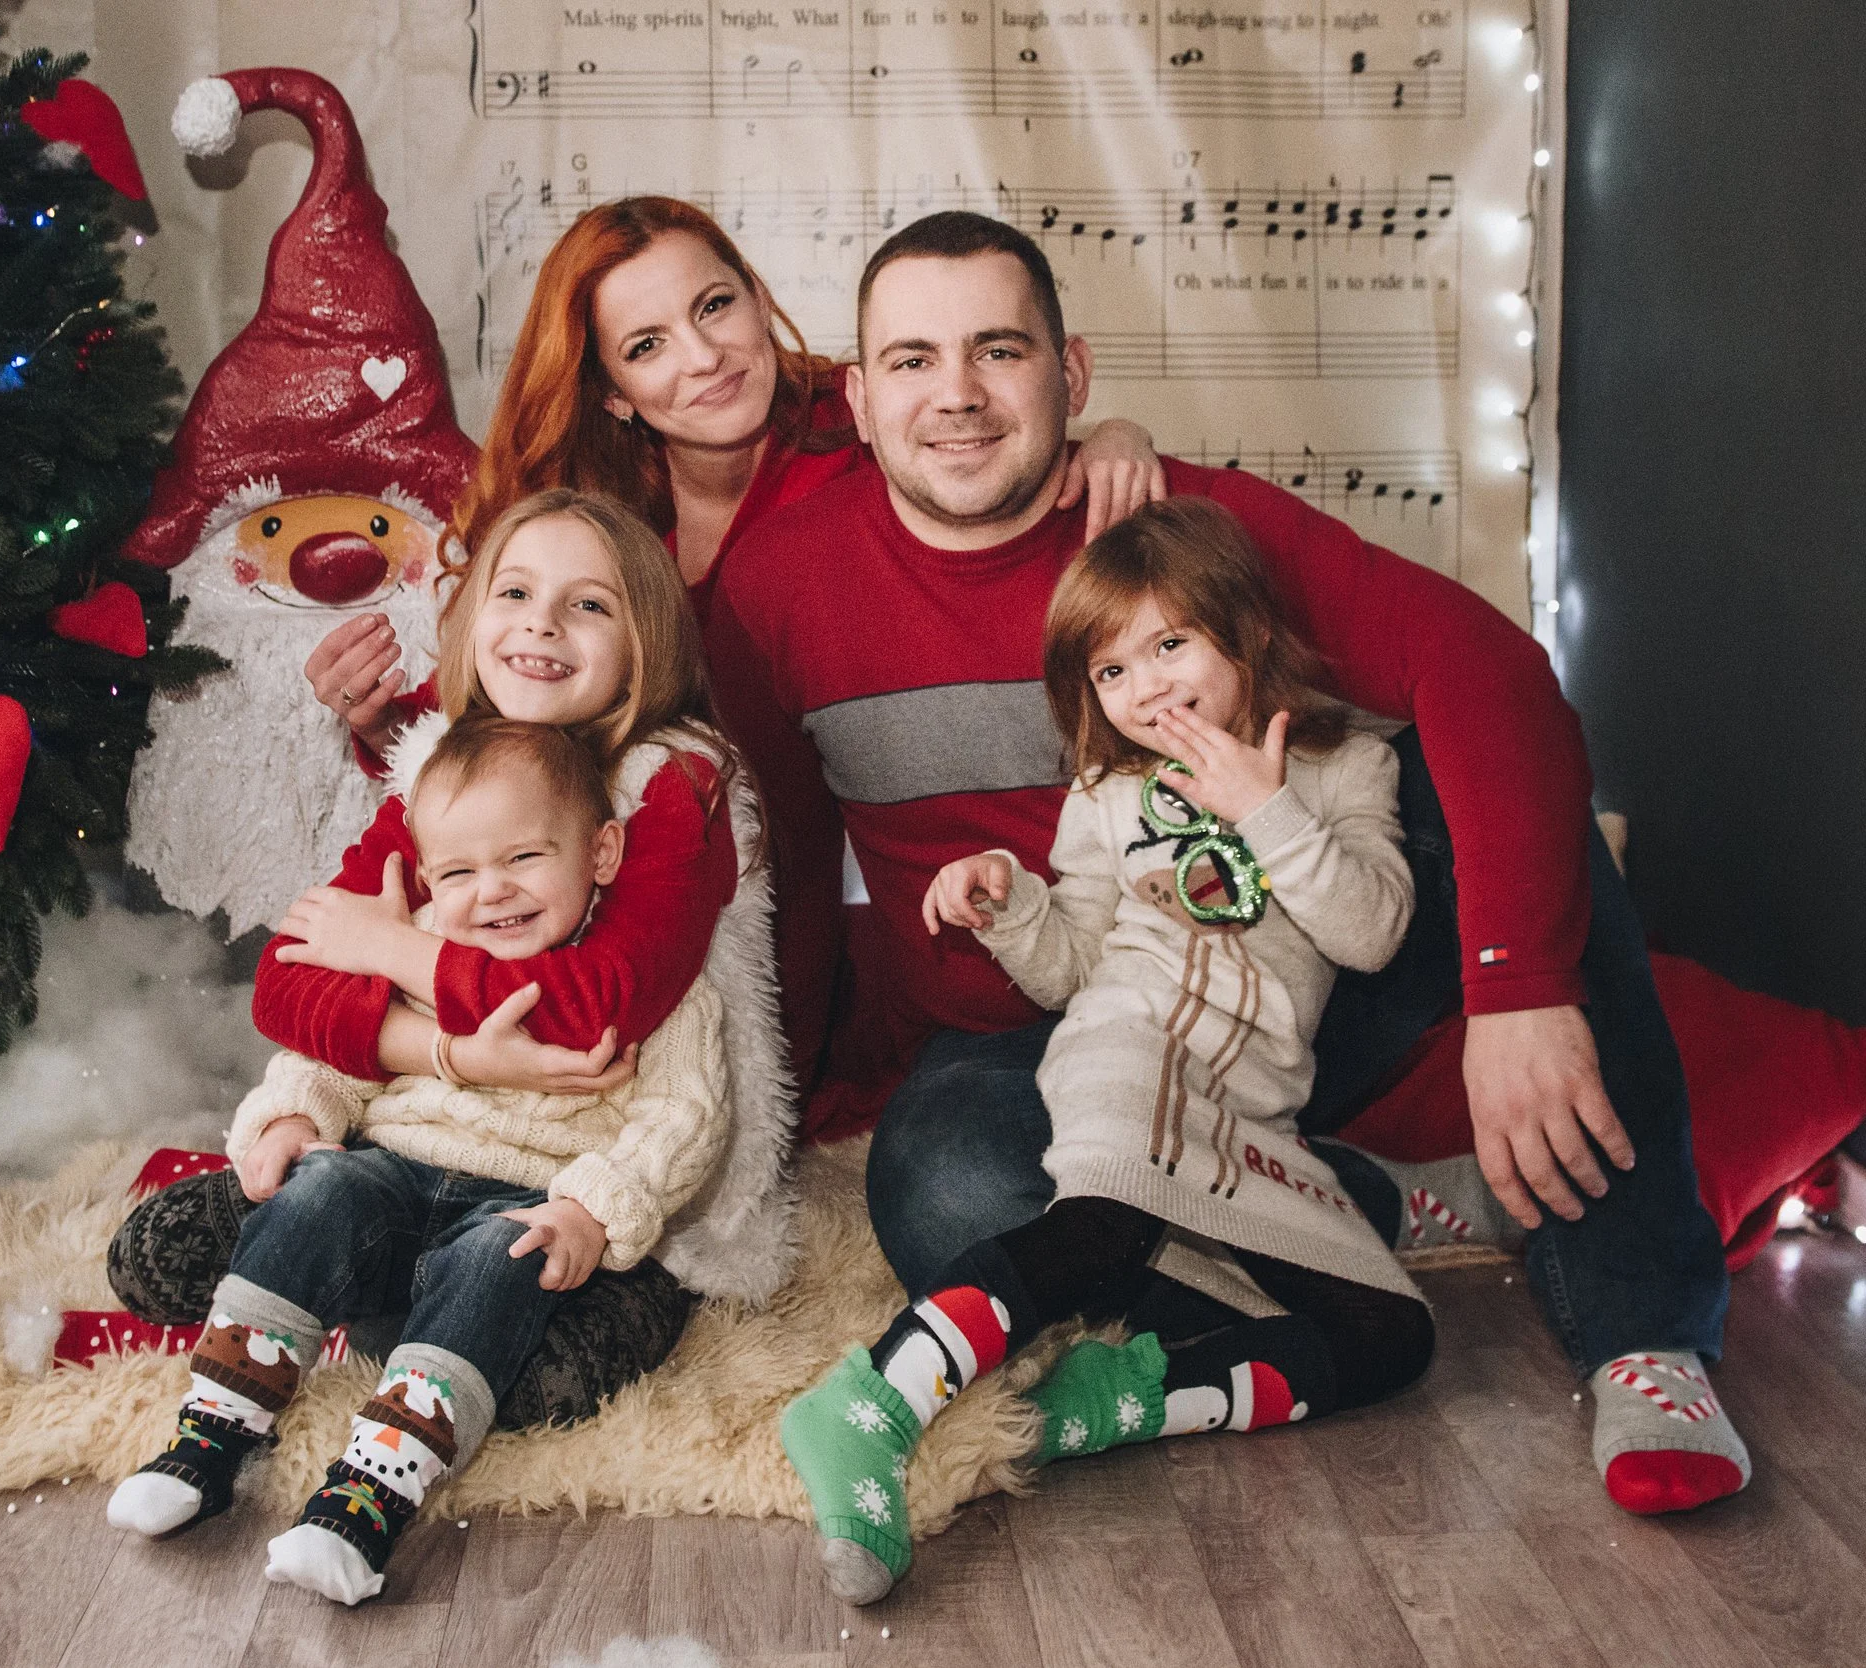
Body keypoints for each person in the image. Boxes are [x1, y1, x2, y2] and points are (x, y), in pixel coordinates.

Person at [704, 210, 1748, 1518]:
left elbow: (1489, 670)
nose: (958, 396)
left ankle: (1643, 1327)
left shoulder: (1188, 536)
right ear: (858, 399)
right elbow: (766, 871)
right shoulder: (780, 586)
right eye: (912, 360)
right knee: (954, 1201)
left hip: (1299, 962)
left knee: (1491, 787)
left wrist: (1516, 981)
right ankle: (1340, 1209)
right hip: (1041, 1024)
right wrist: (784, 1106)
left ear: (1072, 377)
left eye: (998, 350)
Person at [783, 497, 1436, 1601]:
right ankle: (868, 1407)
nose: (1147, 689)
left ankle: (1119, 1399)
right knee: (1107, 1213)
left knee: (1392, 1337)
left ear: (1246, 633)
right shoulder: (1108, 793)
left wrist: (1268, 807)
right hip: (1122, 1048)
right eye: (1111, 672)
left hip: (1243, 1107)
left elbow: (1371, 935)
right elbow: (1077, 967)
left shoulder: (1340, 771)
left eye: (1171, 645)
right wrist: (1010, 905)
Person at [106, 488, 800, 1426]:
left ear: (648, 645)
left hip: (592, 1181)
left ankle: (404, 1284)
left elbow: (593, 1017)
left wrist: (393, 950)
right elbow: (286, 986)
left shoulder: (670, 784)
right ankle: (358, 1248)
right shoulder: (445, 765)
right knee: (156, 1254)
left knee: (534, 1379)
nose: (541, 625)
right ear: (470, 617)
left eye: (589, 604)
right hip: (422, 1149)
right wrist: (449, 1055)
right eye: (514, 593)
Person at [107, 716, 732, 1607]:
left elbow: (684, 1119)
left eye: (525, 858)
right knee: (319, 1186)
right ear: (428, 875)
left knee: (504, 1258)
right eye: (461, 872)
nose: (493, 895)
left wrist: (590, 1210)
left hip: (524, 1200)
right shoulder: (416, 945)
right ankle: (211, 1435)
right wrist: (291, 1118)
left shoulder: (650, 983)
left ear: (600, 852)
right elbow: (337, 1054)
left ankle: (366, 1500)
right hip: (391, 1173)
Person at [299, 195, 1172, 747]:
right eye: (648, 346)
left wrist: (1111, 435)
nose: (706, 357)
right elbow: (509, 709)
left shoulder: (872, 427)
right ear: (614, 396)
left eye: (714, 306)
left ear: (757, 297)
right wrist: (379, 722)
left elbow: (1000, 429)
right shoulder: (593, 515)